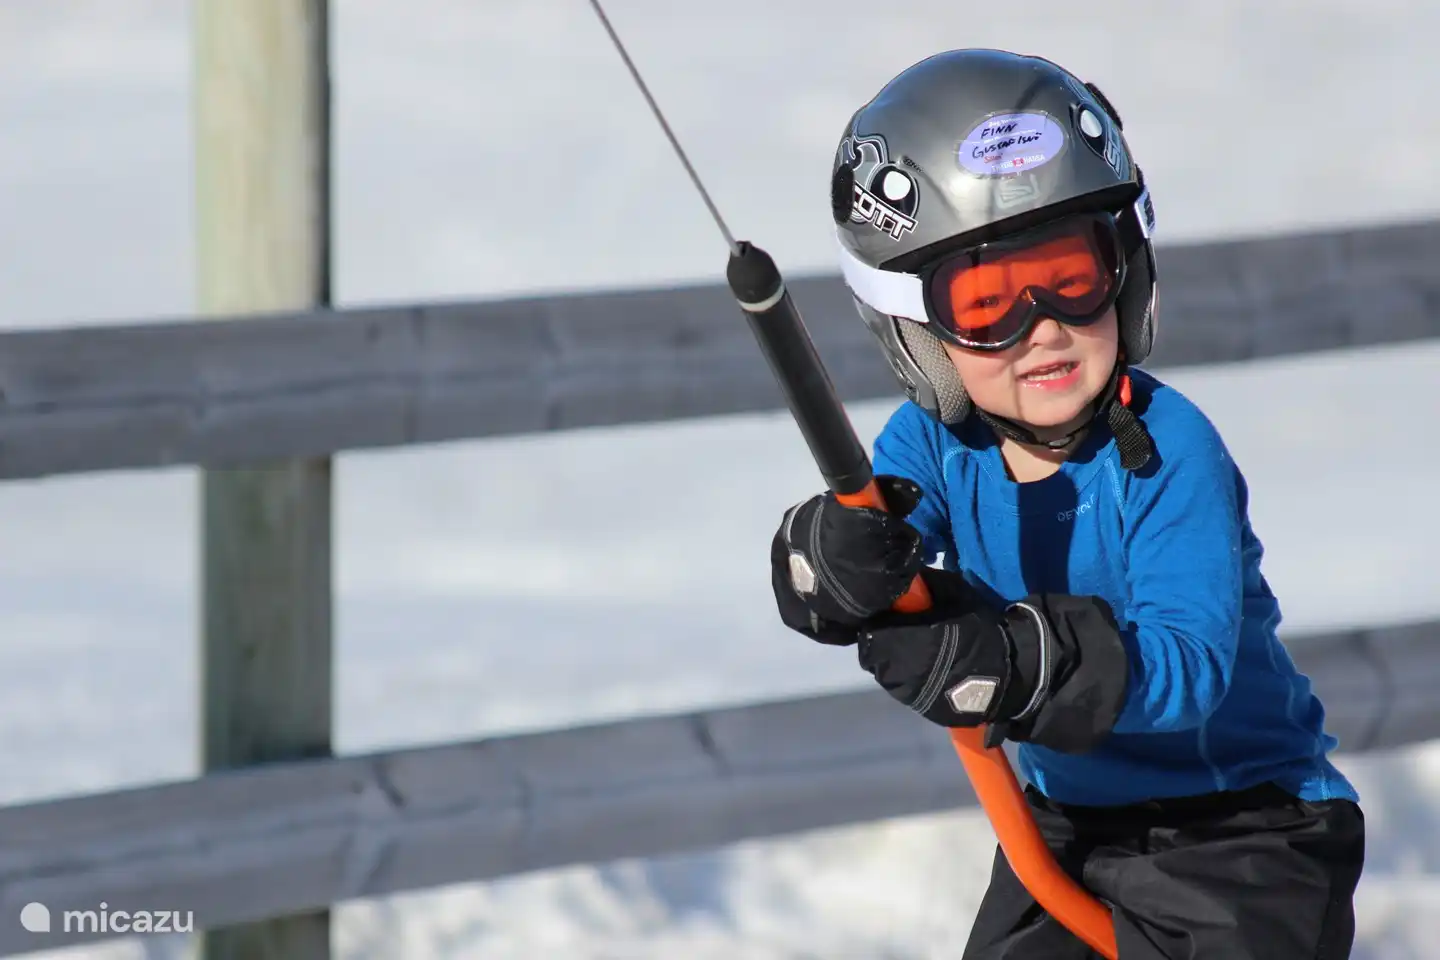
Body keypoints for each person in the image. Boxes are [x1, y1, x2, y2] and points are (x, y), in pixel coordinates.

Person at [769, 48, 1365, 959]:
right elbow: (874, 534)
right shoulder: (933, 442)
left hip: (1244, 833)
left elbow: (1189, 667)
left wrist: (1022, 661)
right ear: (915, 331)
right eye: (987, 299)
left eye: (1070, 275)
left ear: (1123, 273)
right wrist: (831, 560)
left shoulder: (1172, 451)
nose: (1041, 325)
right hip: (1067, 830)